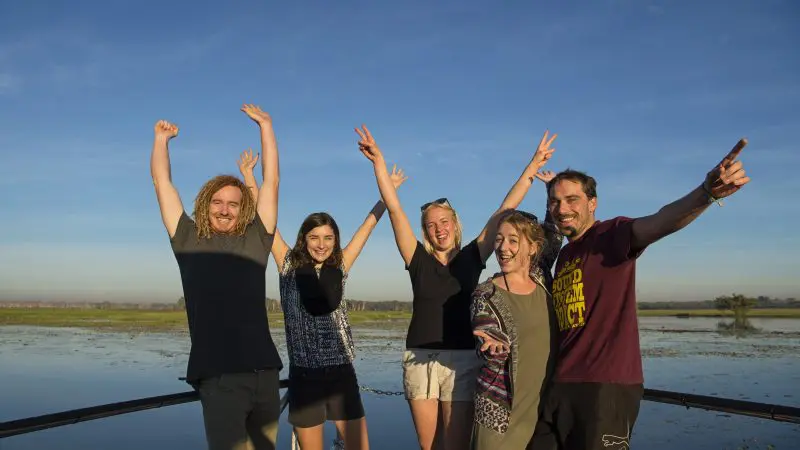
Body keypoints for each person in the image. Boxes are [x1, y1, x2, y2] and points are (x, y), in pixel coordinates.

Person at [530, 139, 753, 450]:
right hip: (559, 383)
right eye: (555, 202)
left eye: (572, 200)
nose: (562, 209)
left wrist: (706, 193)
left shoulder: (610, 235)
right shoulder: (566, 255)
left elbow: (661, 222)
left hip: (604, 386)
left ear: (592, 203)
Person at [356, 124, 557, 450]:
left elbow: (504, 210)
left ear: (455, 224)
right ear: (425, 231)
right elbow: (394, 208)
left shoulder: (473, 256)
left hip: (463, 359)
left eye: (444, 221)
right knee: (429, 446)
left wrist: (532, 166)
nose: (439, 229)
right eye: (431, 225)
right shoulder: (416, 258)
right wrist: (379, 162)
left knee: (456, 445)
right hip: (420, 357)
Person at [239, 150, 408, 450]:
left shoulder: (340, 265)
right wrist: (250, 177)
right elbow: (263, 218)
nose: (321, 244)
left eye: (328, 238)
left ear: (335, 240)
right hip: (304, 377)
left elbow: (367, 227)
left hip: (342, 374)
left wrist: (387, 193)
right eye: (314, 237)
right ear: (304, 239)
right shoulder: (288, 264)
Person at [150, 104, 283, 450]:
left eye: (234, 204)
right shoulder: (188, 238)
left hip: (266, 374)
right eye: (218, 202)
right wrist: (161, 140)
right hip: (220, 378)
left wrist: (266, 127)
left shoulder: (258, 238)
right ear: (205, 204)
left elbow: (271, 182)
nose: (225, 209)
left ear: (244, 209)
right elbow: (162, 183)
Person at [470, 207, 561, 449]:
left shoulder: (542, 279)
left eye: (513, 240)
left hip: (545, 414)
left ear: (533, 248)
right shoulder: (485, 294)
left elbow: (553, 236)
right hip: (501, 416)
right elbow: (485, 330)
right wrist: (492, 348)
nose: (502, 247)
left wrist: (550, 198)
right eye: (498, 240)